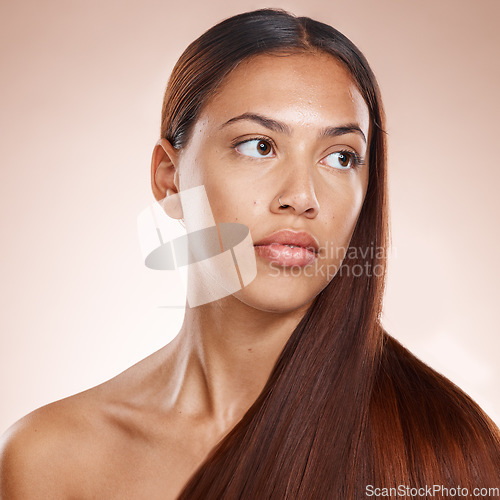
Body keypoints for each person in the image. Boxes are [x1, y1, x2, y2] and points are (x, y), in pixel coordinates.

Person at [1, 8, 499, 499]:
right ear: (169, 177)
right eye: (259, 146)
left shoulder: (450, 452)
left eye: (340, 156)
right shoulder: (50, 461)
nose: (301, 196)